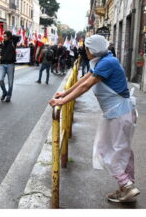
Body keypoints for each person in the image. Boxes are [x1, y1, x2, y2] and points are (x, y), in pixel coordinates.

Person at [49, 35, 140, 203]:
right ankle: (126, 187)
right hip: (120, 113)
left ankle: (126, 185)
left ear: (93, 49)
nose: (85, 52)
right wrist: (65, 93)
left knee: (108, 149)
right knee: (122, 149)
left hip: (118, 114)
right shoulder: (105, 59)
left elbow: (86, 85)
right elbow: (84, 79)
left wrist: (62, 101)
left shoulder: (106, 62)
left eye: (86, 49)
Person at [0, 31, 16, 102]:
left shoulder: (13, 43)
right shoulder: (2, 44)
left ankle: (9, 95)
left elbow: (17, 37)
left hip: (10, 64)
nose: (4, 37)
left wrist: (11, 37)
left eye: (5, 36)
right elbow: (0, 52)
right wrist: (0, 56)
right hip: (3, 64)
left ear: (9, 37)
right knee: (0, 80)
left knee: (10, 82)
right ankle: (5, 92)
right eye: (3, 36)